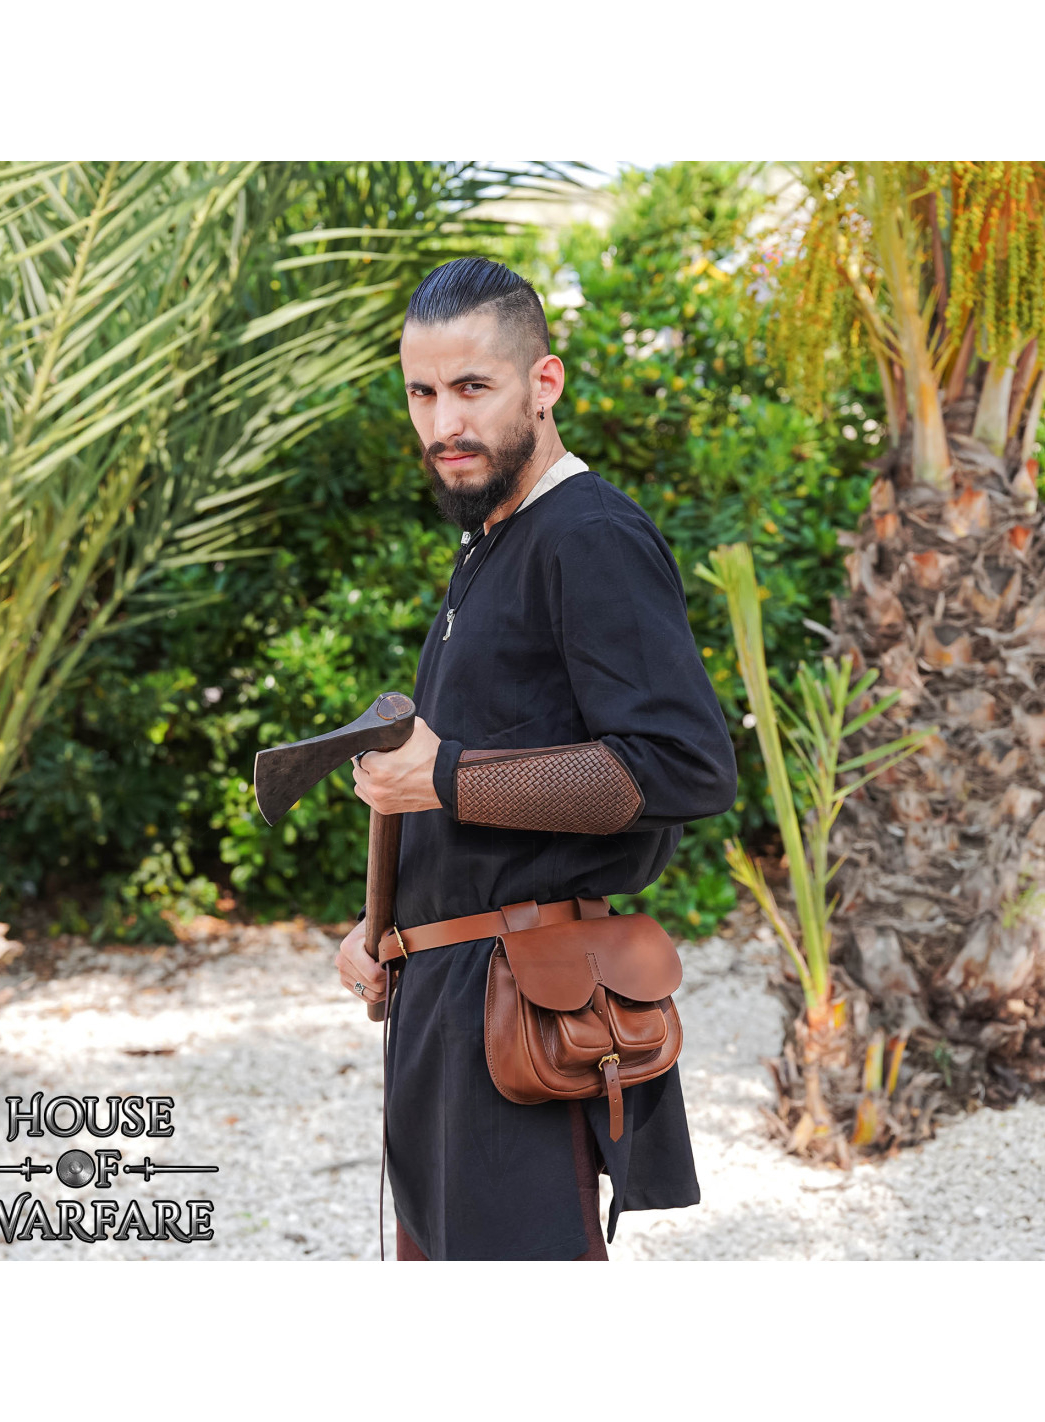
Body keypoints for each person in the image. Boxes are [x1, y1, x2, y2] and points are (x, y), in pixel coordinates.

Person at [333, 255, 737, 1261]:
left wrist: (444, 776)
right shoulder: (490, 542)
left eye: (472, 387)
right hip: (447, 992)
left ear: (543, 382)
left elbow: (682, 766)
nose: (444, 424)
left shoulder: (589, 534)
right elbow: (486, 786)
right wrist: (386, 930)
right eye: (421, 394)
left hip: (530, 1004)